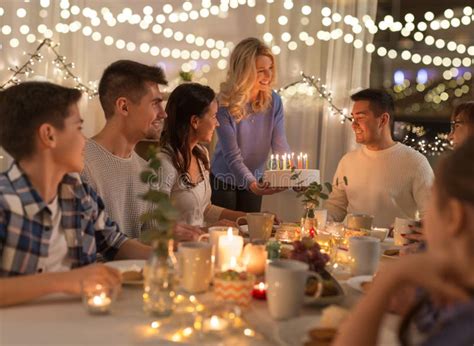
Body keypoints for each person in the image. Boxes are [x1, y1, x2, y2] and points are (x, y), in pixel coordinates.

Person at [0, 82, 152, 307]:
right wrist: (62, 281)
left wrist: (172, 255)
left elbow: (115, 243)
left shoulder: (79, 193)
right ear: (49, 135)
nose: (85, 140)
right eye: (79, 128)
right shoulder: (5, 202)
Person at [334, 136, 474, 346]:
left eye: (434, 199)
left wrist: (391, 278)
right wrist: (415, 305)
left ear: (454, 216)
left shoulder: (464, 325)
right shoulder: (456, 291)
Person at [81, 60, 202, 242]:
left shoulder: (148, 171)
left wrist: (176, 235)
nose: (164, 114)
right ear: (124, 107)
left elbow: (150, 238)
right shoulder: (81, 165)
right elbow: (88, 251)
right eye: (155, 103)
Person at [325, 89, 434, 228]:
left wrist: (409, 230)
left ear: (383, 120)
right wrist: (315, 219)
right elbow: (336, 208)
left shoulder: (416, 163)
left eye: (360, 117)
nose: (353, 125)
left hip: (395, 248)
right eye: (353, 118)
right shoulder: (347, 161)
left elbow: (432, 215)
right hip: (351, 246)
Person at [211, 37, 290, 213]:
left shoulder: (274, 101)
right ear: (243, 72)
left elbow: (280, 144)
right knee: (226, 232)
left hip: (255, 178)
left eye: (270, 68)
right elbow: (232, 156)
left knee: (252, 232)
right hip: (224, 179)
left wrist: (291, 175)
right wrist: (251, 184)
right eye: (261, 70)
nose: (269, 76)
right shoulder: (223, 104)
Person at [157, 83, 245, 227]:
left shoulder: (202, 155)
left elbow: (205, 210)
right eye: (214, 116)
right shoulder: (164, 163)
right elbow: (156, 225)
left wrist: (248, 217)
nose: (217, 123)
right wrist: (210, 230)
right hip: (180, 248)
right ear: (195, 121)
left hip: (200, 243)